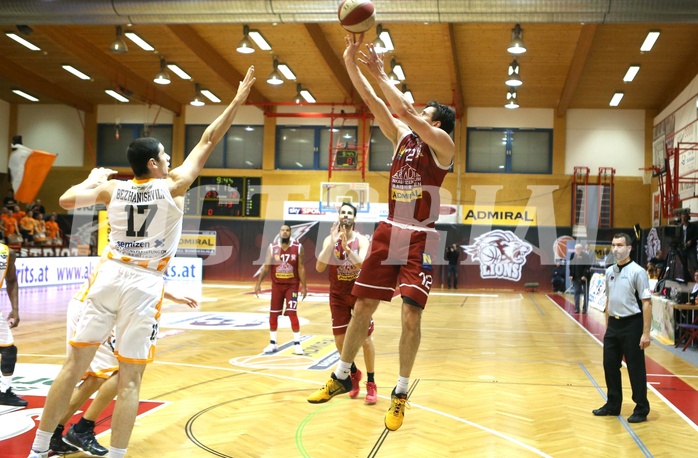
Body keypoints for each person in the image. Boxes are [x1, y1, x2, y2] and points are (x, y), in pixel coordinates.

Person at [27, 65, 256, 458]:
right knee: (130, 378)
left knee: (72, 367)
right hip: (143, 281)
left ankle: (37, 450)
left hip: (110, 272)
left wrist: (91, 179)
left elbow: (65, 201)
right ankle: (116, 454)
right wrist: (236, 101)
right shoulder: (174, 186)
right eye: (164, 155)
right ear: (153, 164)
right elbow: (209, 137)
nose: (169, 159)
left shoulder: (112, 189)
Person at [307, 33, 455, 432]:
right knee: (362, 309)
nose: (418, 113)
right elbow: (375, 102)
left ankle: (401, 392)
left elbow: (404, 108)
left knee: (410, 317)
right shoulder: (401, 138)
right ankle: (341, 374)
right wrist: (351, 64)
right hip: (390, 230)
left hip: (420, 235)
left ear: (436, 122)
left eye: (426, 113)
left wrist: (381, 72)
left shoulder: (443, 145)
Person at [50, 279, 198, 456]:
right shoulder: (124, 257)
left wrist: (172, 296)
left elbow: (144, 278)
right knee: (114, 374)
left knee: (115, 374)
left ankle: (63, 431)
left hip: (106, 308)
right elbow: (122, 277)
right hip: (95, 307)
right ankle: (72, 430)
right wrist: (100, 319)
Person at [315, 202, 377, 404]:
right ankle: (353, 373)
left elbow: (364, 265)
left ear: (354, 218)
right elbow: (319, 266)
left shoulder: (361, 240)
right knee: (340, 342)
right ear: (339, 216)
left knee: (365, 340)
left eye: (349, 213)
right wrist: (332, 243)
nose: (346, 215)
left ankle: (371, 382)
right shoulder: (329, 239)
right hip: (338, 295)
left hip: (358, 294)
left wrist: (346, 250)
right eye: (343, 212)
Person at [592, 232, 652, 423]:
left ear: (629, 248)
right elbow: (609, 300)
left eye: (619, 245)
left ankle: (641, 408)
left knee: (635, 369)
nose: (615, 249)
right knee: (610, 365)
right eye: (613, 245)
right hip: (614, 326)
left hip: (632, 325)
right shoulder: (609, 271)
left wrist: (645, 333)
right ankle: (613, 404)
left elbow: (647, 303)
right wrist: (609, 326)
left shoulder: (638, 271)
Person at [254, 224, 307, 355]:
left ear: (291, 233)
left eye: (287, 230)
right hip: (277, 286)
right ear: (279, 232)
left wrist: (304, 286)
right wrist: (258, 283)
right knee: (273, 314)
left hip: (292, 286)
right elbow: (266, 267)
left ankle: (297, 344)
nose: (284, 232)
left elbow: (301, 267)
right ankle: (273, 343)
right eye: (282, 230)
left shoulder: (298, 247)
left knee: (292, 312)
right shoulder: (273, 248)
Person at [0, 242, 27, 407]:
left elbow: (11, 280)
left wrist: (15, 309)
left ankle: (4, 391)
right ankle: (3, 391)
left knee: (9, 349)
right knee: (8, 350)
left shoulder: (7, 253)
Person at [569, 243, 592, 313]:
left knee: (585, 293)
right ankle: (576, 308)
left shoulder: (586, 256)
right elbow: (571, 265)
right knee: (576, 292)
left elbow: (588, 266)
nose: (577, 250)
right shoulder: (572, 255)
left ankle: (585, 309)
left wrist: (585, 275)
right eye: (576, 249)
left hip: (584, 278)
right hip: (576, 277)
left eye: (579, 249)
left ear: (581, 249)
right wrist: (571, 274)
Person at [678, 211, 698, 281]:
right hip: (683, 248)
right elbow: (679, 237)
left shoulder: (693, 226)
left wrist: (691, 241)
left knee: (695, 264)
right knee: (684, 265)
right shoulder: (680, 227)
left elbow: (696, 235)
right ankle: (686, 280)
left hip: (691, 248)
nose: (683, 218)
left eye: (684, 217)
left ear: (687, 217)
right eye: (682, 217)